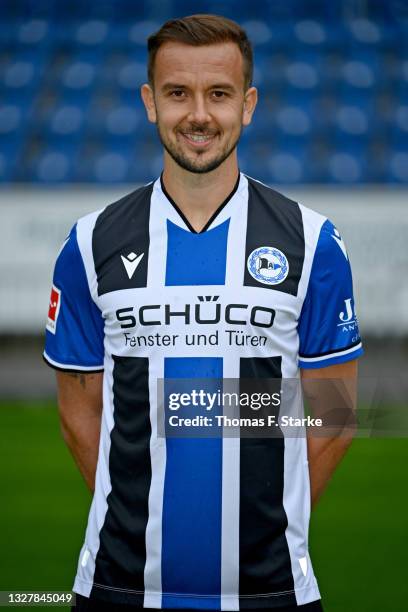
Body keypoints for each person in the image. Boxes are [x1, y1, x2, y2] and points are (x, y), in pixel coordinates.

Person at [43, 14, 363, 612]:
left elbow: (333, 412)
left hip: (272, 590)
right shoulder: (89, 243)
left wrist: (271, 519)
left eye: (218, 94)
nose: (198, 115)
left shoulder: (312, 241)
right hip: (118, 587)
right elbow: (80, 411)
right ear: (149, 102)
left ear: (248, 104)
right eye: (177, 93)